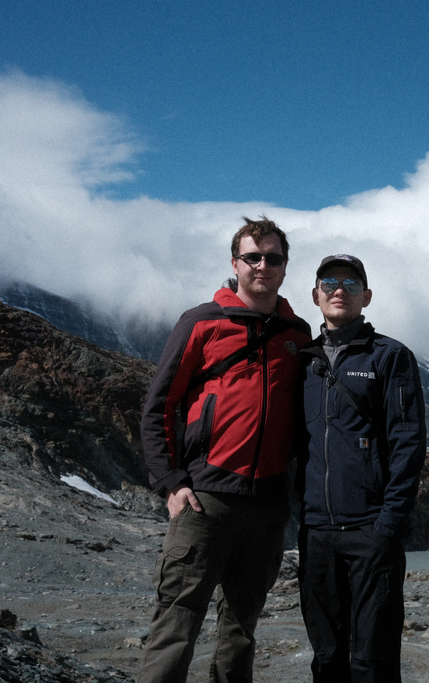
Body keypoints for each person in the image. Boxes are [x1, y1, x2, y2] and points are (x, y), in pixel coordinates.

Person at [138, 216, 311, 683]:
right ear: (234, 263)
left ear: (285, 266)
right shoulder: (201, 323)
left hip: (267, 504)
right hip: (205, 498)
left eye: (272, 258)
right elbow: (158, 408)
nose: (262, 265)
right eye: (252, 257)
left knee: (241, 627)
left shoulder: (298, 336)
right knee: (177, 618)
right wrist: (170, 483)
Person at [297, 254, 427, 682]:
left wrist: (388, 524)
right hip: (317, 533)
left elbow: (408, 442)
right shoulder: (302, 361)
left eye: (351, 285)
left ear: (366, 296)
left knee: (374, 660)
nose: (340, 291)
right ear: (315, 295)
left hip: (371, 531)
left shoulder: (390, 357)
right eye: (330, 283)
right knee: (327, 657)